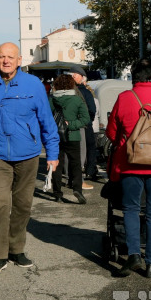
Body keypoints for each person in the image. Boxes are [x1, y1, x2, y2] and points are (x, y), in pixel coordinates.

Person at [0, 42, 59, 275]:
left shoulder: (34, 85)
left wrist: (52, 153)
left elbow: (46, 120)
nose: (6, 61)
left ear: (19, 60)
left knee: (22, 205)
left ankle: (17, 249)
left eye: (11, 57)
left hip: (28, 154)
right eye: (2, 57)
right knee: (0, 203)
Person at [106, 58, 151, 278]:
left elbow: (111, 132)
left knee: (130, 209)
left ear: (134, 77)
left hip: (130, 163)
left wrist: (126, 142)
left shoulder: (124, 98)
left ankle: (133, 256)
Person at [49, 74, 90, 204]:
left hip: (56, 136)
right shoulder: (77, 99)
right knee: (76, 164)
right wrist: (72, 124)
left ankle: (57, 193)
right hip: (73, 135)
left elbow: (45, 117)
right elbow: (85, 119)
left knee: (57, 164)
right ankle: (77, 188)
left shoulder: (51, 99)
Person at [68, 66, 98, 186]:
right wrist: (87, 120)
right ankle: (88, 172)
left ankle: (72, 175)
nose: (73, 76)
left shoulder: (67, 92)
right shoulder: (85, 92)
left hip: (71, 125)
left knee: (73, 151)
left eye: (75, 74)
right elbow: (92, 109)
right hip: (85, 125)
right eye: (72, 74)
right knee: (88, 148)